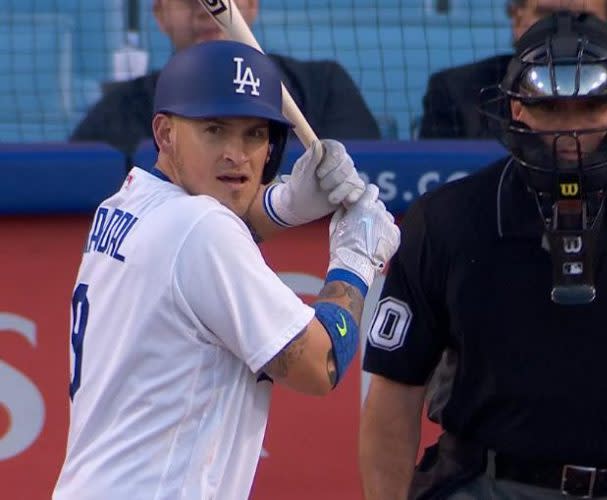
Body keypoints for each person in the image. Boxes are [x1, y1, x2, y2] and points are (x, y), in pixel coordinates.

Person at [360, 12, 607, 500]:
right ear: (517, 109)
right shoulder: (447, 221)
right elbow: (394, 394)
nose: (572, 130)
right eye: (551, 108)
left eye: (591, 106)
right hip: (487, 483)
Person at [53, 40, 400, 499]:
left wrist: (286, 204)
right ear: (165, 133)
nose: (237, 154)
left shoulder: (128, 201)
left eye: (254, 134)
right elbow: (322, 364)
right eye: (215, 129)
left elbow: (204, 234)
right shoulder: (201, 228)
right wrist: (357, 260)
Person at [70, 0, 380, 160]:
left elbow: (363, 174)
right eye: (190, 1)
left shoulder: (323, 86)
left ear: (252, 5)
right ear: (160, 15)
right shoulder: (121, 109)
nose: (206, 12)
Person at [419, 0, 607, 140]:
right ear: (517, 19)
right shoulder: (457, 95)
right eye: (548, 15)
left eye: (584, 18)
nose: (564, 31)